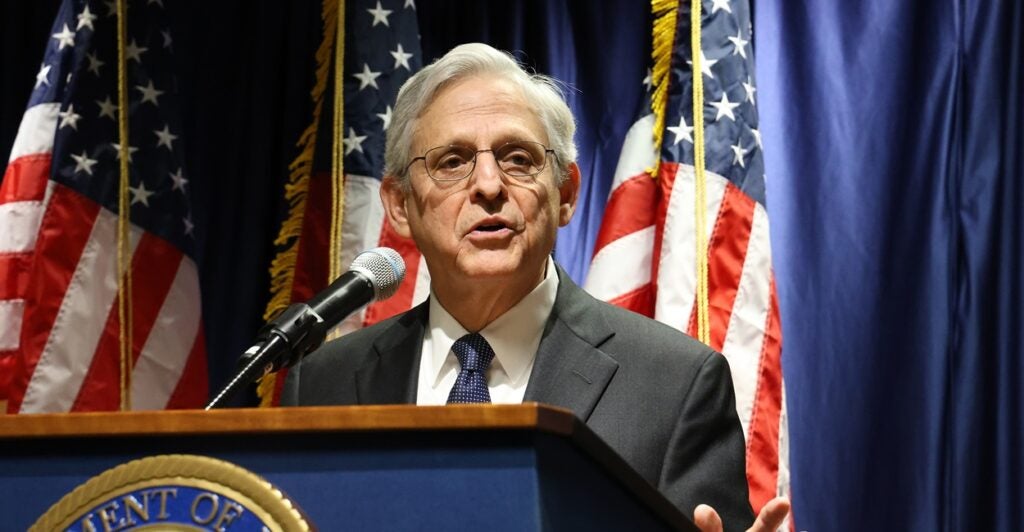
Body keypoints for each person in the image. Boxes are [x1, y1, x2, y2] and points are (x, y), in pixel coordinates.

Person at [282, 43, 789, 531]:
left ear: (566, 193)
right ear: (399, 205)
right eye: (452, 161)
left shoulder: (675, 386)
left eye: (517, 158)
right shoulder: (323, 383)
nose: (487, 185)